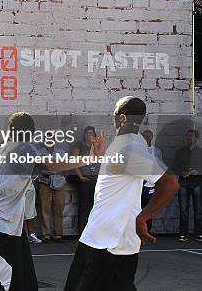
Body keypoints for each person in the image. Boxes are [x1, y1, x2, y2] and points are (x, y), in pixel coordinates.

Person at [0, 112, 105, 291]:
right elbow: (51, 165)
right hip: (3, 229)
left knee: (25, 283)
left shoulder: (0, 151)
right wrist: (90, 159)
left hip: (9, 229)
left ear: (10, 130)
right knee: (2, 285)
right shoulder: (23, 149)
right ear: (30, 132)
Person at [64, 96, 179, 291]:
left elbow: (169, 183)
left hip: (105, 240)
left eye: (115, 114)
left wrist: (143, 218)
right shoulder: (132, 144)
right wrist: (100, 156)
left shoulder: (130, 149)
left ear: (122, 118)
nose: (113, 119)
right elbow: (118, 177)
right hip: (113, 239)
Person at [171, 129, 202, 242]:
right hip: (183, 183)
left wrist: (197, 172)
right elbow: (174, 166)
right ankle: (183, 233)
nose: (189, 138)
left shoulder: (200, 152)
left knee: (198, 209)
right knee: (183, 209)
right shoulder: (180, 152)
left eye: (191, 136)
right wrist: (182, 172)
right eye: (187, 136)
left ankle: (199, 233)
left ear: (196, 138)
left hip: (197, 182)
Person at [71, 126, 99, 234]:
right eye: (87, 133)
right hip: (84, 179)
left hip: (94, 179)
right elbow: (73, 160)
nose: (88, 135)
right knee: (83, 206)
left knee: (93, 205)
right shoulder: (80, 145)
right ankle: (82, 230)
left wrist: (95, 145)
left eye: (91, 133)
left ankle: (91, 230)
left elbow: (99, 158)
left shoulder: (95, 146)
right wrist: (80, 176)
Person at [37, 142, 68, 243]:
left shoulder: (61, 152)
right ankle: (46, 234)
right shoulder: (40, 152)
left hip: (58, 182)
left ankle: (58, 234)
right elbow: (38, 166)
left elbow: (65, 165)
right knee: (44, 208)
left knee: (59, 207)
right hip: (45, 182)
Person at [140, 130, 163, 232]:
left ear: (152, 137)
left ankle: (148, 230)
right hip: (139, 185)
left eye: (148, 136)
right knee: (139, 209)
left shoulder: (156, 151)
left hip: (151, 185)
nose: (146, 138)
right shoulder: (138, 150)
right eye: (145, 136)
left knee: (148, 210)